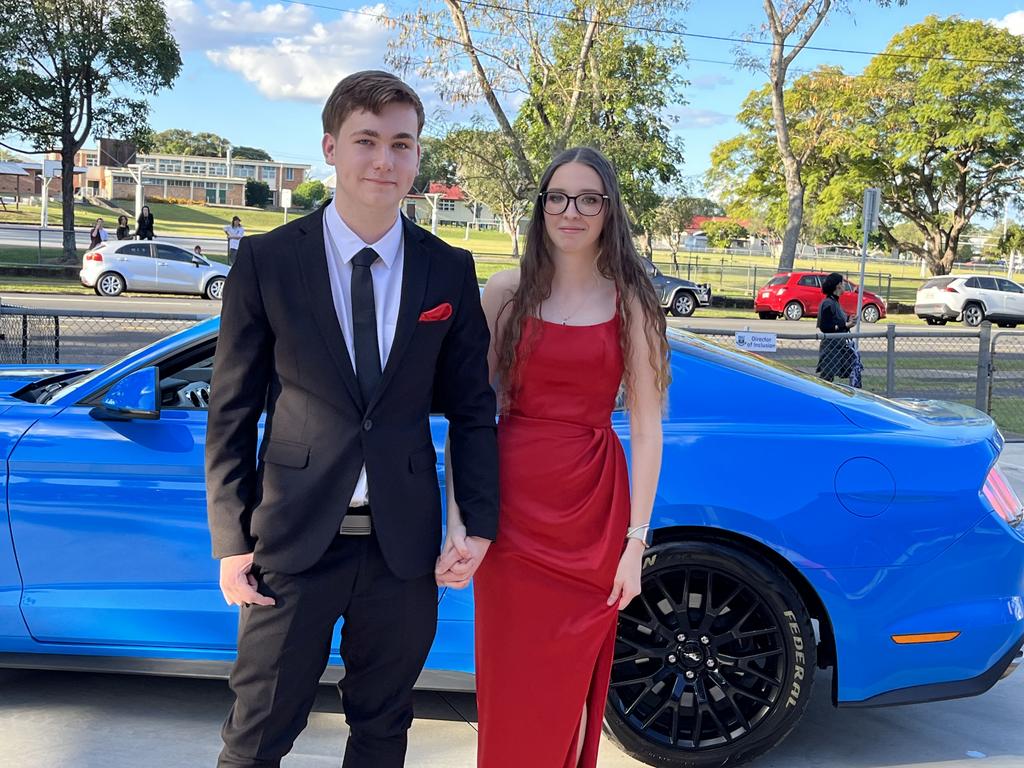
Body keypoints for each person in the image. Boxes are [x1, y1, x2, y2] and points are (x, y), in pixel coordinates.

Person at [205, 70, 498, 768]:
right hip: (291, 546)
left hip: (402, 554)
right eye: (366, 141)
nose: (383, 160)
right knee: (256, 736)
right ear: (331, 147)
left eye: (401, 144)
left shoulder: (448, 271)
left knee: (382, 731)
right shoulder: (269, 261)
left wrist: (478, 524)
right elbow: (233, 409)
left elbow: (473, 411)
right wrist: (230, 540)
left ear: (418, 157)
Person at [439, 146, 669, 767]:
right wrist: (460, 522)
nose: (571, 211)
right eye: (558, 197)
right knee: (511, 691)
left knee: (567, 694)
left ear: (609, 210)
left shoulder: (634, 302)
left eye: (588, 198)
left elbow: (647, 429)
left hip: (592, 516)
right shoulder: (505, 293)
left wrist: (634, 544)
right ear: (541, 207)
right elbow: (471, 417)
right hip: (509, 519)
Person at [815, 272, 857, 382]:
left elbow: (839, 320)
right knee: (826, 378)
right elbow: (825, 326)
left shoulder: (835, 303)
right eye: (843, 283)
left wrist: (849, 320)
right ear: (838, 285)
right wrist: (845, 325)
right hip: (830, 347)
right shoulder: (828, 303)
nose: (844, 286)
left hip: (838, 346)